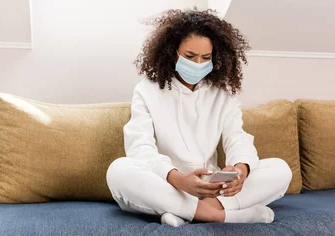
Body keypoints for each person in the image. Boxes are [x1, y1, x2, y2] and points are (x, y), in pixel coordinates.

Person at [106, 9, 292, 227]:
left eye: (205, 57)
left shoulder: (222, 94)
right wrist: (180, 180)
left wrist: (240, 170)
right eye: (190, 56)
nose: (198, 64)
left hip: (210, 187)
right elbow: (140, 148)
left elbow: (237, 138)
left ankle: (185, 213)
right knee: (119, 170)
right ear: (172, 52)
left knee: (280, 169)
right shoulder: (147, 90)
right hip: (168, 184)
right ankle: (220, 215)